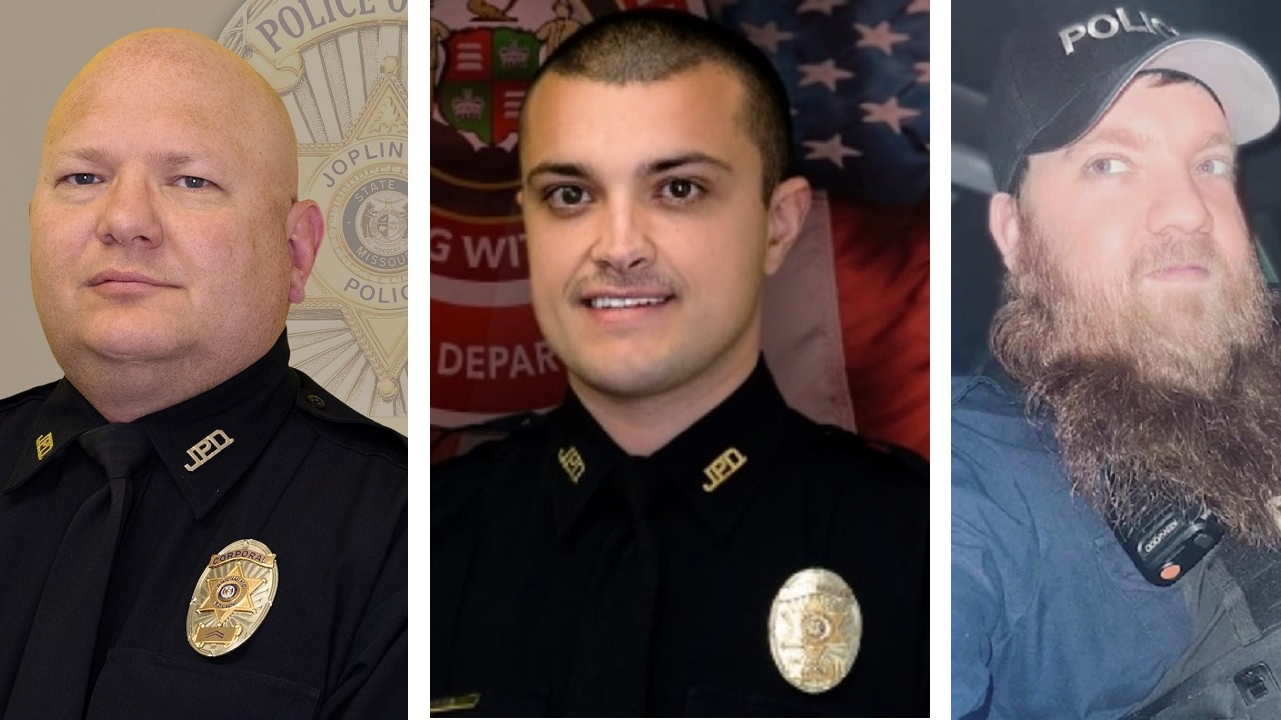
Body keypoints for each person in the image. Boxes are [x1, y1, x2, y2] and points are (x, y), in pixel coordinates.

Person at [431, 9, 927, 717]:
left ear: (777, 226)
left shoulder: (918, 547)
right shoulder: (418, 546)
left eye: (678, 189)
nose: (618, 246)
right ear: (527, 223)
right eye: (570, 195)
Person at [0, 28, 406, 719]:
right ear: (34, 218)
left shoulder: (401, 535)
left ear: (295, 250)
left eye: (192, 180)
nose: (124, 220)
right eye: (83, 178)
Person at [952, 3, 1281, 718]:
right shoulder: (969, 489)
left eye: (1209, 163)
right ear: (1013, 233)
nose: (1187, 210)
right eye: (1109, 164)